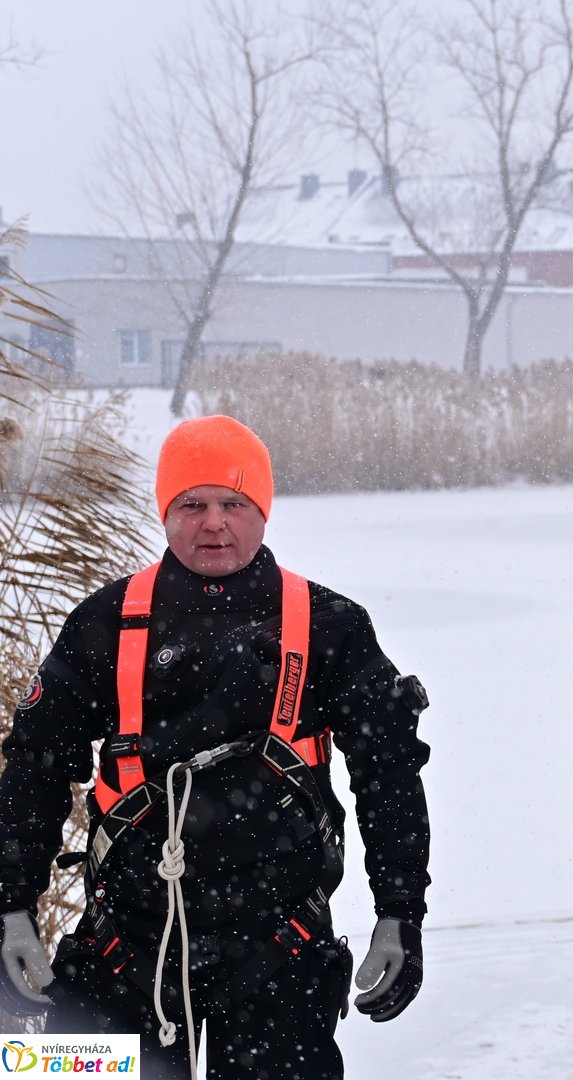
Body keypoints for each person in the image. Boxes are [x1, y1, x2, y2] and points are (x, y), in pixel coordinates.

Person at [0, 416, 431, 1079]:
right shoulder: (103, 623)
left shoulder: (330, 626)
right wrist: (11, 905)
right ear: (164, 513)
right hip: (121, 950)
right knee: (44, 1068)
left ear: (262, 512)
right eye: (192, 505)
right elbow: (33, 768)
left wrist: (400, 914)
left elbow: (389, 773)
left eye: (234, 504)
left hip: (281, 956)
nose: (213, 524)